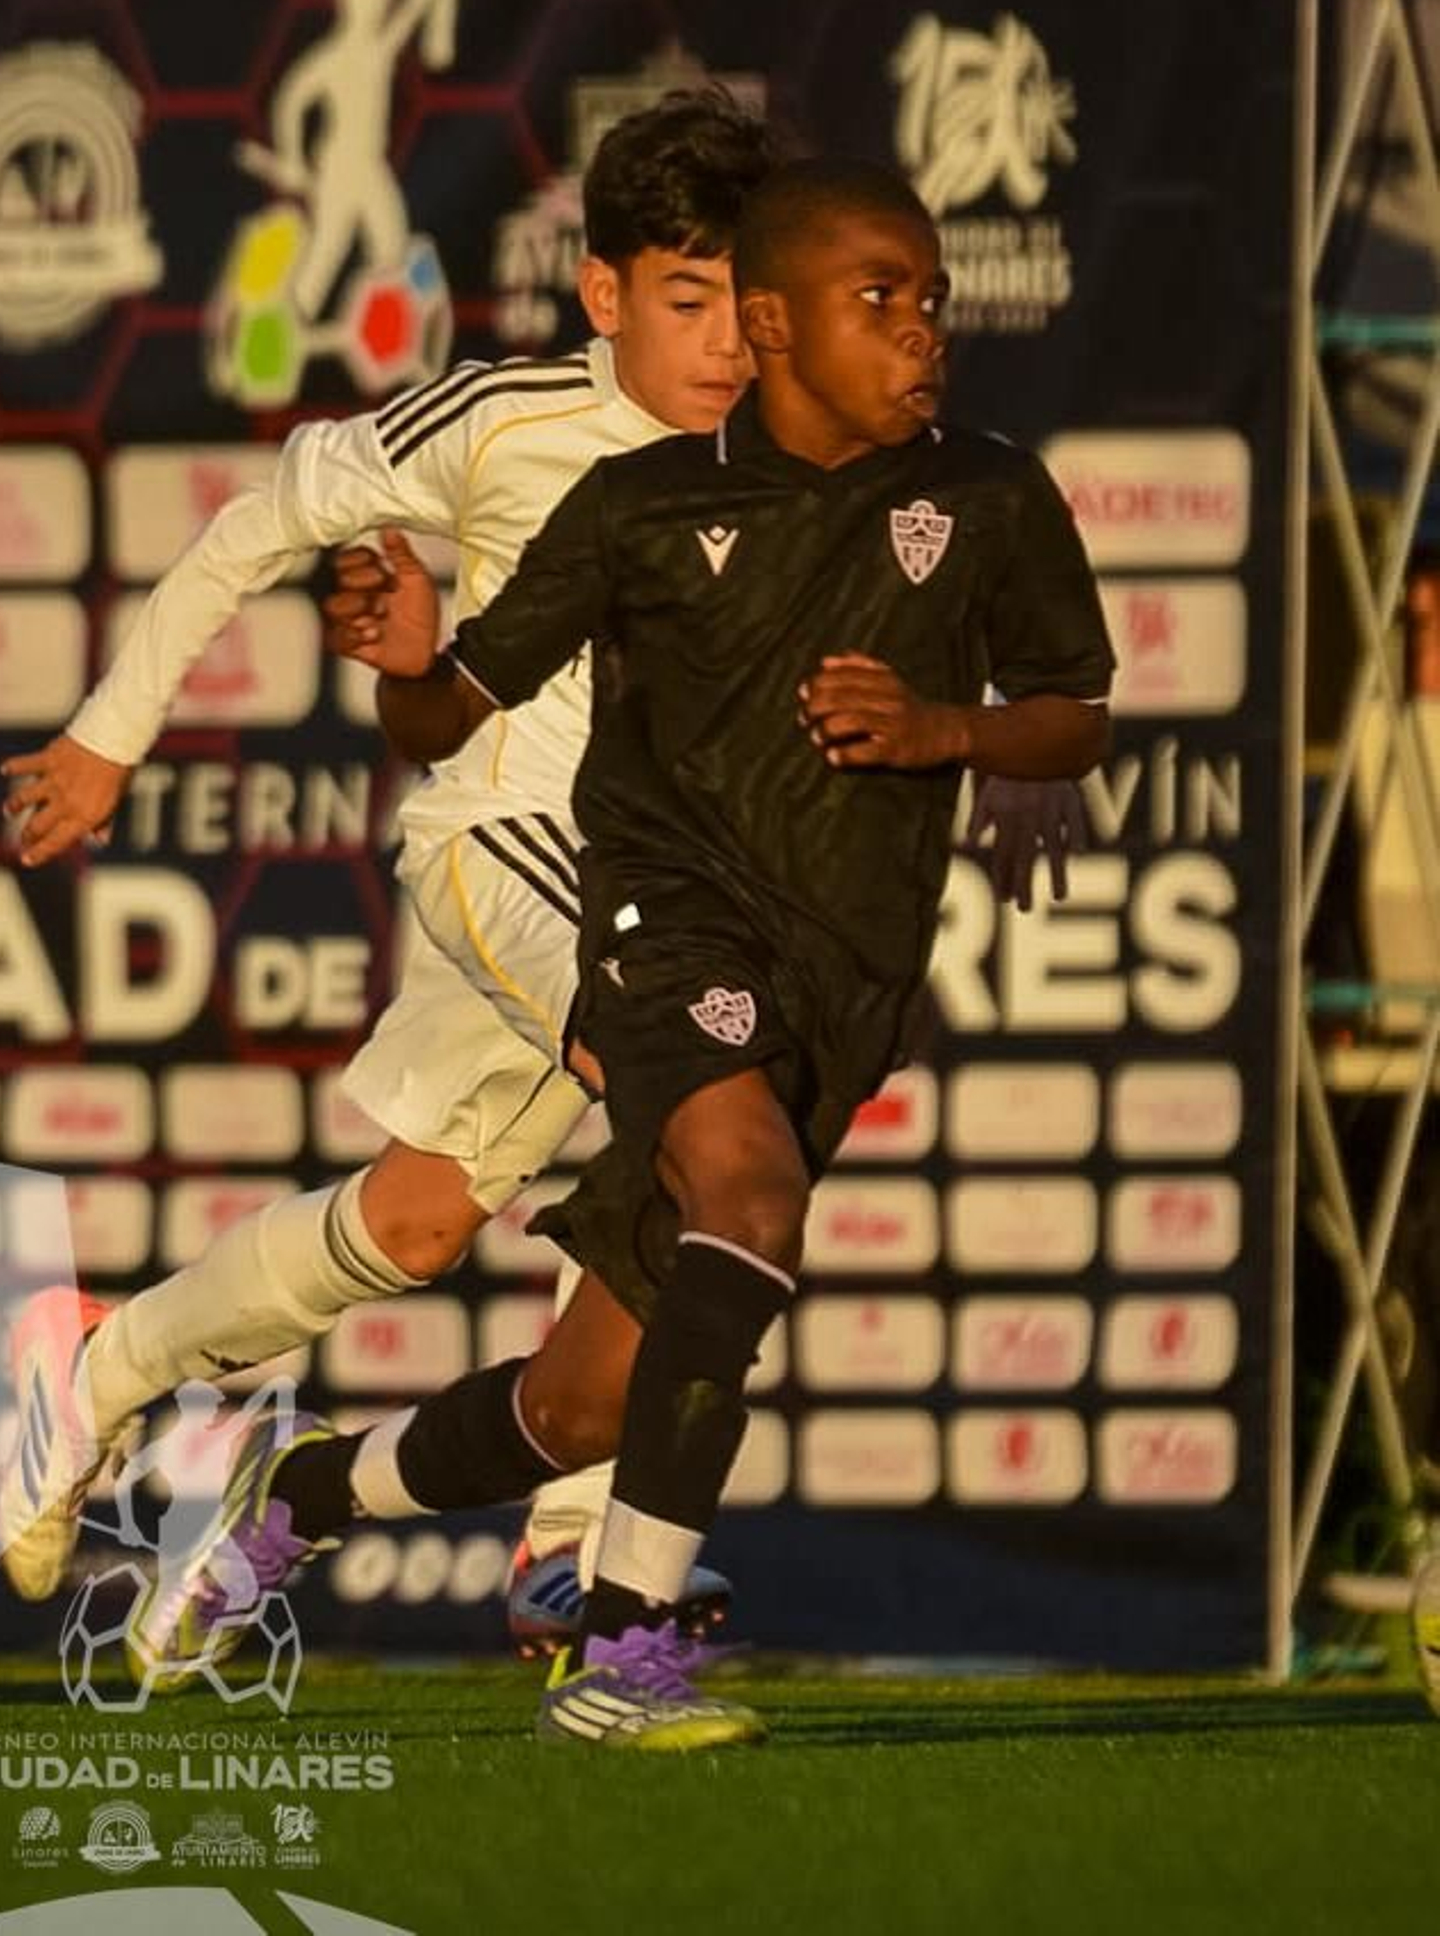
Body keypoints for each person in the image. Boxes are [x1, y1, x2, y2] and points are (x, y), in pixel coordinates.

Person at [147, 157, 1114, 1750]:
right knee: (750, 1197)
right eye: (880, 301)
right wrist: (403, 663)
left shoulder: (993, 494)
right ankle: (624, 1655)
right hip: (669, 925)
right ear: (772, 324)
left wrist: (948, 728)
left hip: (845, 981)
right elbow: (452, 706)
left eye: (932, 301)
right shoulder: (644, 506)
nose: (922, 333)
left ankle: (293, 1492)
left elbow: (1074, 708)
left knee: (578, 1403)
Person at [0, 88, 780, 1650]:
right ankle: (574, 1541)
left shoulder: (789, 458)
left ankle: (99, 1372)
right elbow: (258, 523)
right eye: (686, 302)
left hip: (669, 886)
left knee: (418, 1223)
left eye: (746, 306)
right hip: (509, 848)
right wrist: (104, 737)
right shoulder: (501, 420)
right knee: (698, 1092)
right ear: (605, 292)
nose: (727, 344)